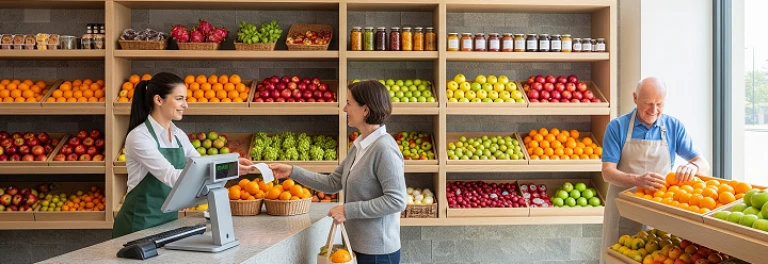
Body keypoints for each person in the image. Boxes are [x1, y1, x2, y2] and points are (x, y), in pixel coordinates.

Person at [269, 80, 407, 264]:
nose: (344, 109)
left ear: (365, 110)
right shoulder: (360, 145)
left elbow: (396, 201)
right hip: (355, 247)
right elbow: (332, 183)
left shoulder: (384, 148)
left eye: (349, 103)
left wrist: (348, 210)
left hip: (378, 254)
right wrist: (292, 171)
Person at [113, 72, 253, 238]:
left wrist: (232, 166)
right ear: (158, 100)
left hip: (167, 223)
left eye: (185, 99)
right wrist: (226, 169)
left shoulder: (178, 135)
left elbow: (201, 165)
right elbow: (173, 177)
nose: (185, 105)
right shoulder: (139, 137)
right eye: (179, 99)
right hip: (137, 225)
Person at [599, 77, 710, 263]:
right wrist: (637, 180)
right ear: (635, 98)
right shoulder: (617, 127)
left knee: (657, 258)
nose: (654, 110)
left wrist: (692, 166)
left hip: (659, 210)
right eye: (648, 103)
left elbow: (703, 163)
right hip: (623, 210)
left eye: (659, 104)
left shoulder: (674, 127)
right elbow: (607, 172)